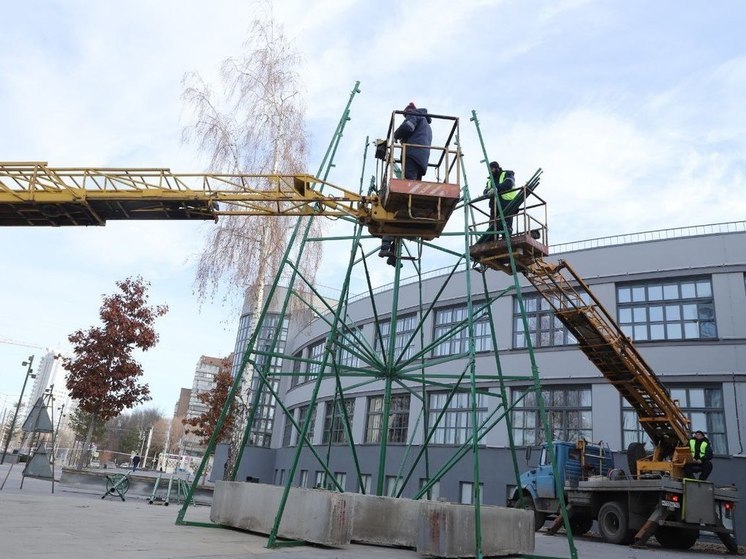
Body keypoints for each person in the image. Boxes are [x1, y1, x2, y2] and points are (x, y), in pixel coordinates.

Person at [379, 102, 433, 265]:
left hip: (411, 154)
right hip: (422, 159)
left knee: (404, 197)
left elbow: (408, 127)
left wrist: (395, 136)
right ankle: (392, 253)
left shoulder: (415, 115)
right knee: (409, 200)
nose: (405, 117)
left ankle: (387, 246)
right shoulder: (427, 125)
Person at [484, 161, 517, 239]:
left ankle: (506, 241)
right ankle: (491, 242)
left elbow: (508, 184)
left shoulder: (507, 174)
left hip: (506, 205)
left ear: (497, 168)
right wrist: (488, 192)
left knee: (506, 228)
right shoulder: (489, 180)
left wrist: (496, 188)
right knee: (492, 229)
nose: (490, 171)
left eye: (492, 169)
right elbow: (485, 191)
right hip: (494, 207)